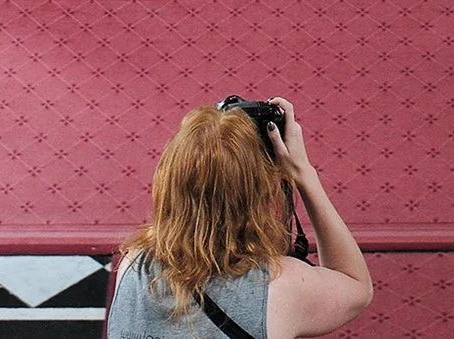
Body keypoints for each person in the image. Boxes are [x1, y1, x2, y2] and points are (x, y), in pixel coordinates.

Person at [108, 99, 372, 339]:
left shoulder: (134, 265)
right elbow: (355, 285)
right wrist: (303, 174)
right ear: (257, 193)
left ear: (167, 181)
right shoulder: (280, 286)